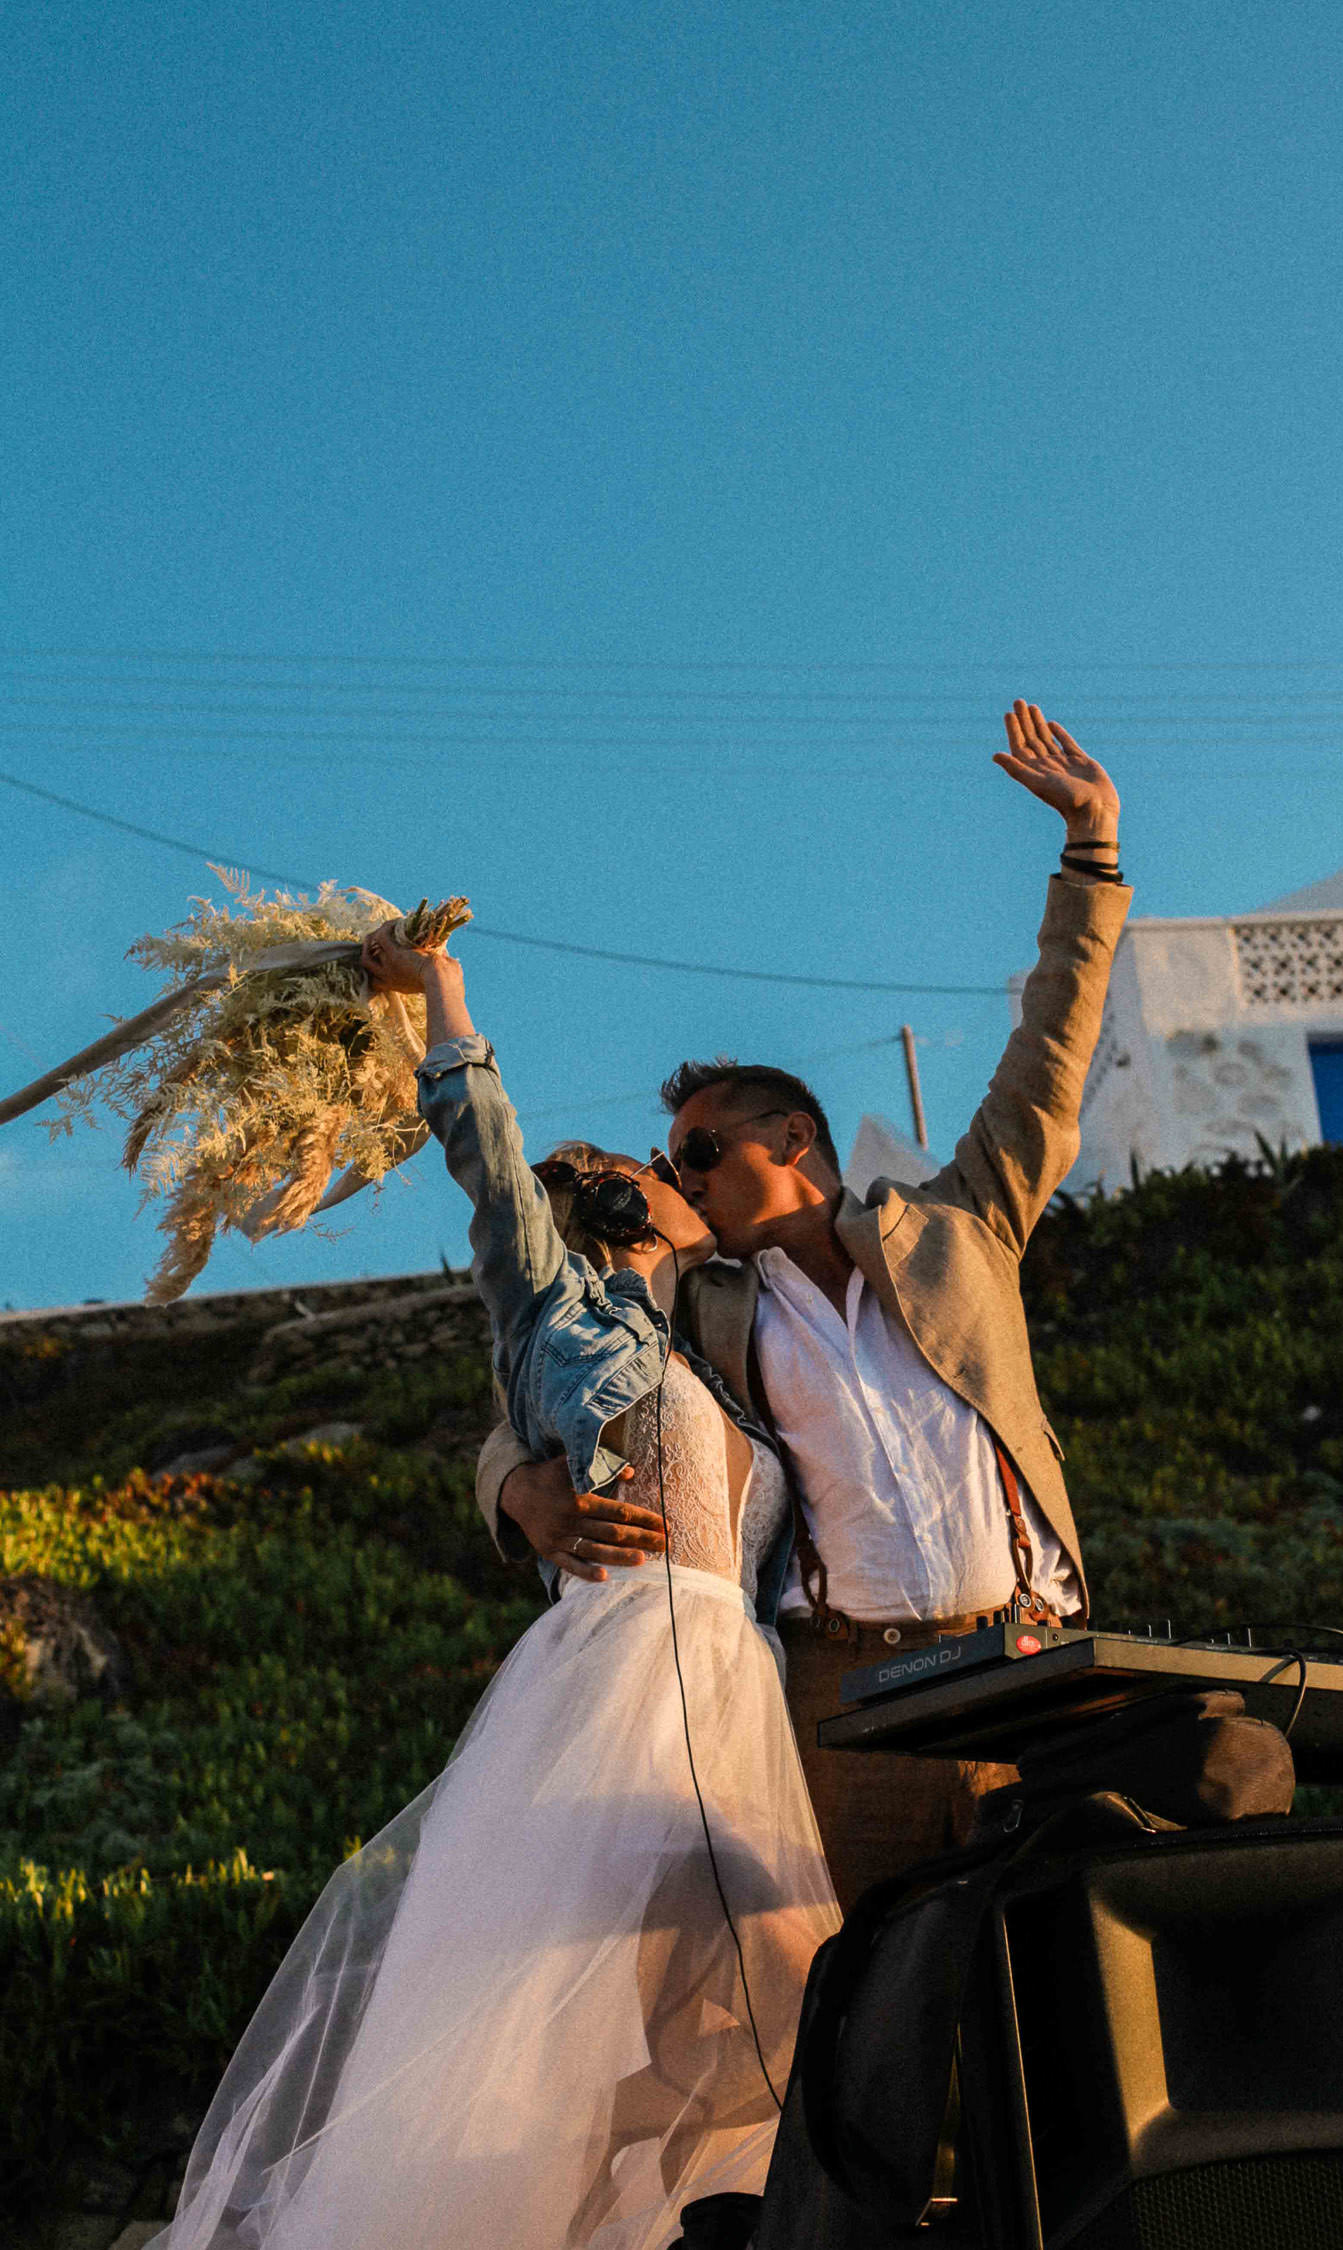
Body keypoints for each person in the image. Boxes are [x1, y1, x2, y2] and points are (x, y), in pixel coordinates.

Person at [147, 936, 838, 2250]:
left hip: (740, 1694)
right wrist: (441, 1003)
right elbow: (489, 1165)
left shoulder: (723, 1340)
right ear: (624, 1215)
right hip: (648, 1681)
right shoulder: (562, 1317)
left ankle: (554, 2190)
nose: (686, 1180)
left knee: (714, 2033)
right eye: (662, 1171)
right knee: (792, 1987)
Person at [482, 701, 1132, 1908]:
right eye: (669, 1162)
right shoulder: (697, 1305)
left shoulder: (958, 1229)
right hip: (847, 1701)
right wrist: (521, 1495)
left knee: (1063, 1998)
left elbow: (1050, 1051)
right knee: (867, 2010)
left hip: (1030, 1665)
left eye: (698, 1151)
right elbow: (547, 1385)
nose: (676, 1179)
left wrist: (1090, 849)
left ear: (792, 1137)